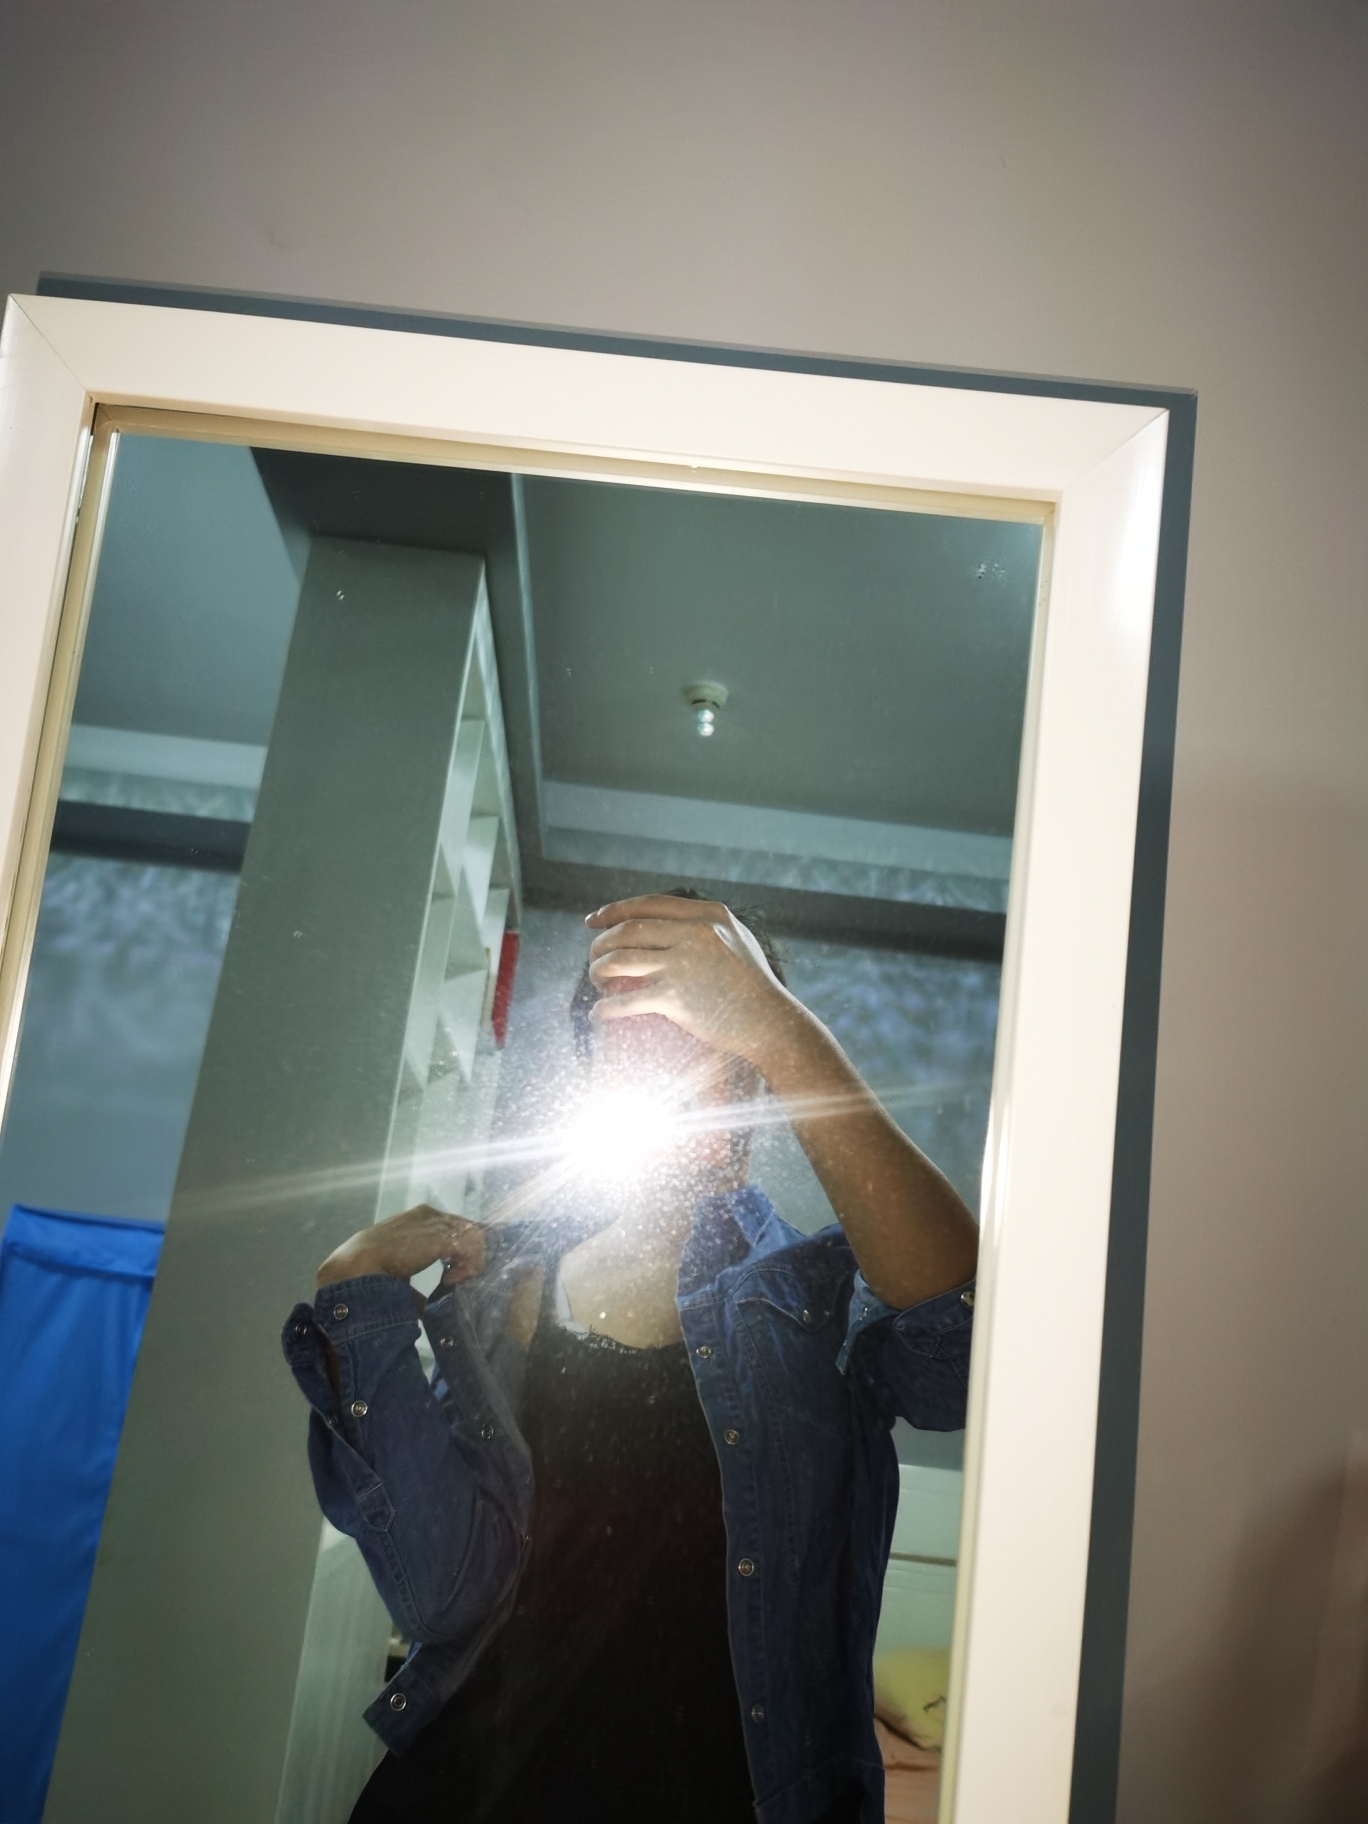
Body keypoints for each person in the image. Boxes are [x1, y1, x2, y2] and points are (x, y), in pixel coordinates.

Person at [282, 891, 978, 1824]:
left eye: (704, 1028)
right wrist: (360, 1304)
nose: (669, 1067)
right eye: (633, 1036)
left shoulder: (819, 1294)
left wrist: (781, 1028)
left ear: (755, 1074)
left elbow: (957, 1353)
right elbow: (446, 1599)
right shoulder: (502, 1289)